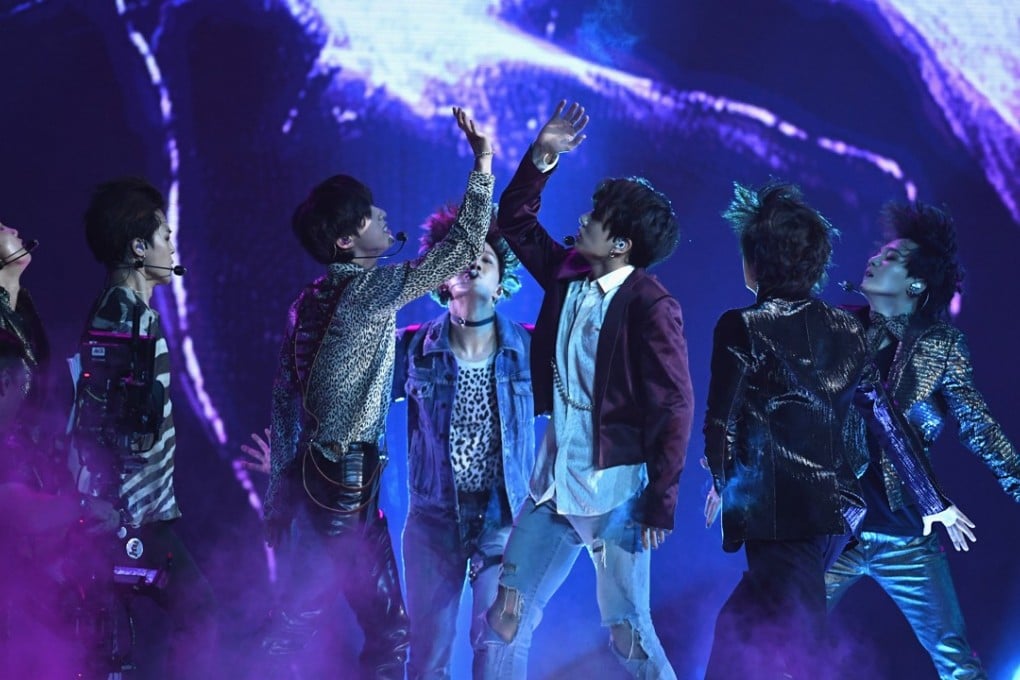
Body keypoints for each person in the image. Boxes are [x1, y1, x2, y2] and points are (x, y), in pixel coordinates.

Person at [260, 107, 495, 679]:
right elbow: (461, 247)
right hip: (341, 486)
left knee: (384, 628)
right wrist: (483, 162)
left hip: (338, 483)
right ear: (347, 240)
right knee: (300, 624)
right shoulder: (366, 294)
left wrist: (280, 493)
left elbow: (285, 402)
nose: (384, 216)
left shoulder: (309, 298)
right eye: (370, 216)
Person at [477, 100, 694, 680]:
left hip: (617, 491)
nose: (586, 219)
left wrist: (662, 500)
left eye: (598, 217)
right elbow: (515, 221)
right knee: (504, 616)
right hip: (553, 481)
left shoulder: (651, 305)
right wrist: (543, 156)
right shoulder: (569, 270)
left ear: (621, 244)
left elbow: (674, 404)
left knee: (627, 634)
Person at [825, 201, 1018, 680]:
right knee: (772, 628)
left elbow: (977, 425)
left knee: (956, 661)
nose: (875, 259)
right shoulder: (839, 327)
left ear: (916, 284)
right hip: (832, 528)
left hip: (907, 536)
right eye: (879, 252)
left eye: (891, 257)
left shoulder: (941, 344)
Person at [701, 181, 871, 679]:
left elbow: (721, 422)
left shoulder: (744, 325)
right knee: (736, 628)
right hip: (829, 509)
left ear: (756, 260)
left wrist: (722, 480)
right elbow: (860, 424)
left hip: (777, 513)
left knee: (806, 649)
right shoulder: (849, 330)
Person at [71, 178, 218, 679]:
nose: (172, 247)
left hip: (138, 511)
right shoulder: (120, 314)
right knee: (194, 613)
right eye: (165, 237)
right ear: (139, 247)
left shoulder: (134, 313)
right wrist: (104, 504)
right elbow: (93, 414)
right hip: (123, 516)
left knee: (124, 643)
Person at [392, 204, 533, 679]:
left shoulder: (530, 346)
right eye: (460, 256)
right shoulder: (411, 346)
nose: (473, 261)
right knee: (428, 656)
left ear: (503, 280)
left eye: (485, 257)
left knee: (497, 648)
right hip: (434, 522)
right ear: (441, 278)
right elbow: (355, 403)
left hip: (504, 520)